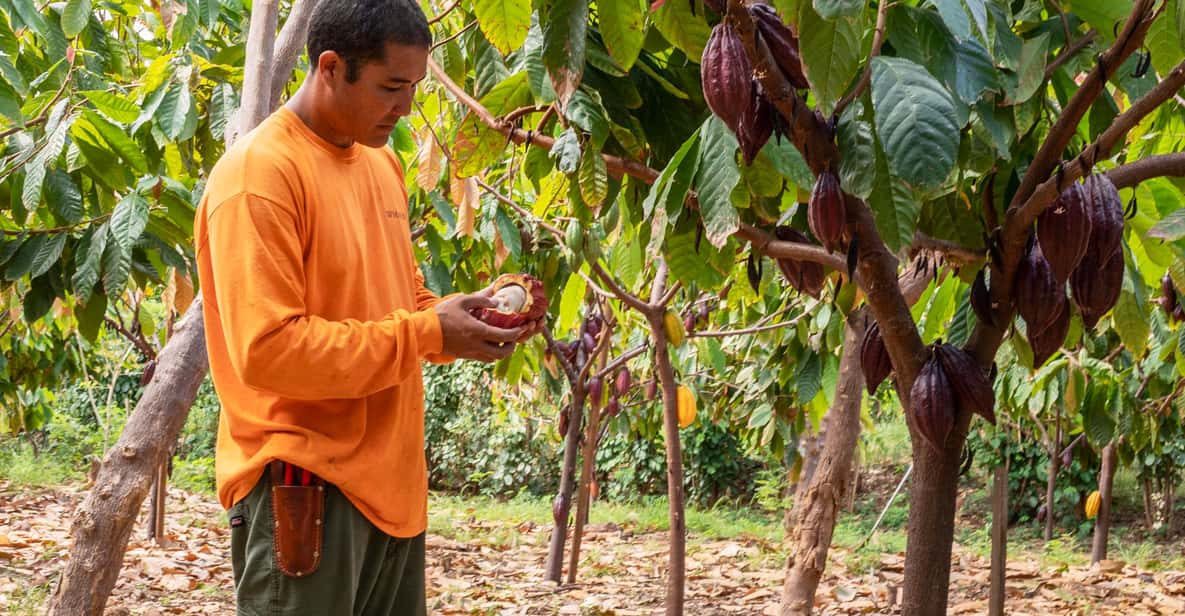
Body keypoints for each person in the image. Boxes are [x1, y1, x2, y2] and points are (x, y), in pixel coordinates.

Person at [193, 1, 542, 613]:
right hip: (306, 488)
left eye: (413, 87)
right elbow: (270, 353)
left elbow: (398, 299)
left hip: (392, 489)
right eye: (391, 86)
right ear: (330, 67)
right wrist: (424, 331)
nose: (405, 107)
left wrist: (470, 320)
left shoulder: (380, 162)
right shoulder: (259, 177)